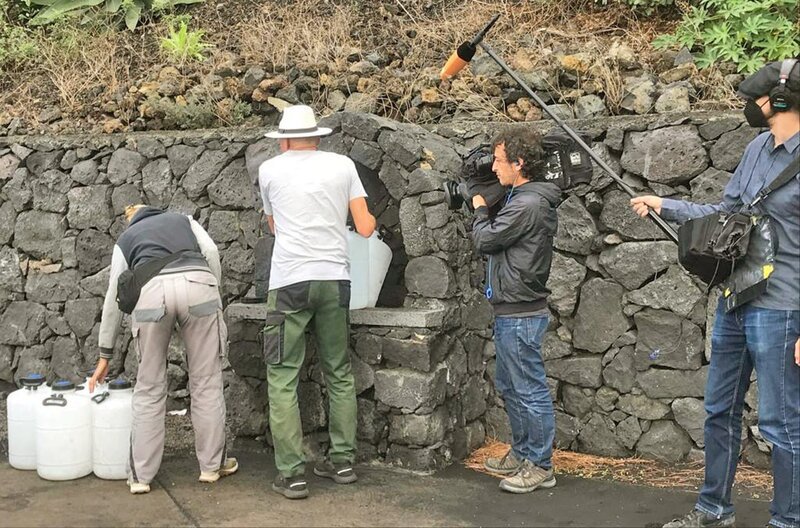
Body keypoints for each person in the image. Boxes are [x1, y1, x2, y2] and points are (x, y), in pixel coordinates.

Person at [631, 59, 800, 528]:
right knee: (718, 410)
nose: (751, 105)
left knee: (782, 425)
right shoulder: (756, 149)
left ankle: (788, 521)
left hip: (783, 307)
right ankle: (713, 512)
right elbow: (725, 213)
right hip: (735, 297)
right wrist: (664, 203)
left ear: (782, 100)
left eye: (758, 98)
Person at [257, 105, 376, 500]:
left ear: (285, 140)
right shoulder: (342, 166)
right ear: (318, 137)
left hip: (290, 281)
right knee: (339, 371)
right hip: (334, 279)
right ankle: (342, 461)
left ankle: (292, 473)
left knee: (282, 376)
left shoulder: (270, 171)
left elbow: (274, 225)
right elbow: (364, 227)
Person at [89, 204, 237, 494]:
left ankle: (140, 477)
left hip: (151, 293)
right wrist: (211, 289)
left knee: (149, 387)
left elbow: (114, 293)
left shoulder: (127, 238)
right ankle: (211, 467)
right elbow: (212, 253)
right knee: (207, 382)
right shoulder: (184, 220)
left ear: (132, 218)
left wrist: (105, 353)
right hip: (198, 284)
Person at [471, 127, 562, 493]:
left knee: (529, 389)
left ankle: (540, 465)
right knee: (512, 384)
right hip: (512, 309)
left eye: (498, 160)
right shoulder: (520, 197)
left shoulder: (528, 203)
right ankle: (524, 452)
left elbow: (486, 239)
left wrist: (479, 210)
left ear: (519, 163)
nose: (493, 168)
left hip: (522, 312)